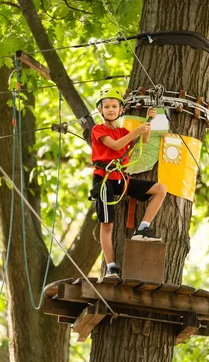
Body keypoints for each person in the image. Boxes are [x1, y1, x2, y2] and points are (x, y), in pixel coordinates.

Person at [90, 87, 167, 278]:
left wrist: (150, 121)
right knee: (107, 224)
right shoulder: (98, 129)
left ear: (120, 110)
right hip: (104, 179)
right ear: (100, 110)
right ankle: (111, 267)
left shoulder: (123, 131)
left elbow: (145, 139)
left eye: (114, 106)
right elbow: (115, 146)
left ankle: (142, 228)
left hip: (120, 178)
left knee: (160, 189)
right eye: (106, 106)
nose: (110, 109)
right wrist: (138, 130)